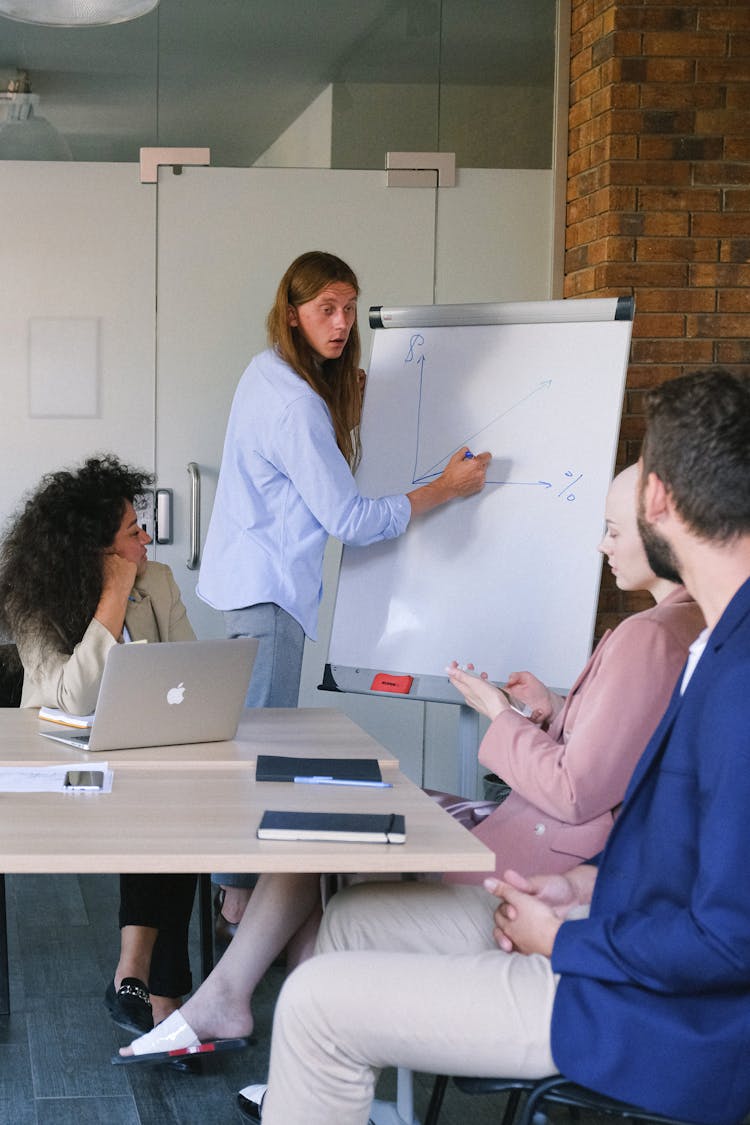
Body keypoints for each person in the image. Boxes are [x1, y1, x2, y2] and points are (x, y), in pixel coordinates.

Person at [235, 367, 750, 1125]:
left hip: (647, 1012)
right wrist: (582, 890)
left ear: (658, 503)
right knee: (344, 938)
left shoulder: (733, 670)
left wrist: (567, 938)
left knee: (312, 1002)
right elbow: (692, 861)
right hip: (610, 938)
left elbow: (729, 938)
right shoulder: (715, 640)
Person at [120, 464, 702, 1065]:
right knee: (329, 817)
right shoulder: (683, 626)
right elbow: (617, 760)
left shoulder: (648, 637)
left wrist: (498, 714)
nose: (602, 544)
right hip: (548, 840)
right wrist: (554, 712)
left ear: (660, 529)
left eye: (612, 529)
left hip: (538, 856)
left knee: (324, 827)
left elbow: (576, 789)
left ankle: (280, 1034)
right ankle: (270, 1028)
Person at [196, 250, 490, 933]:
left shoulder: (267, 370)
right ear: (293, 312)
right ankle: (238, 903)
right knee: (255, 757)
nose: (341, 321)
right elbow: (350, 520)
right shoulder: (298, 404)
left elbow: (312, 471)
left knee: (248, 747)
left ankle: (235, 899)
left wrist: (345, 404)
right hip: (270, 597)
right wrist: (444, 489)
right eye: (326, 308)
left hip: (251, 587)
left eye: (350, 307)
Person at [0, 456, 198, 1041]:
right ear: (96, 549)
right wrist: (112, 596)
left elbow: (187, 671)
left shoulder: (157, 580)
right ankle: (161, 996)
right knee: (162, 814)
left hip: (140, 762)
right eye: (133, 532)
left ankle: (142, 983)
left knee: (176, 813)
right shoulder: (34, 599)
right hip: (58, 772)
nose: (146, 538)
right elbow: (72, 697)